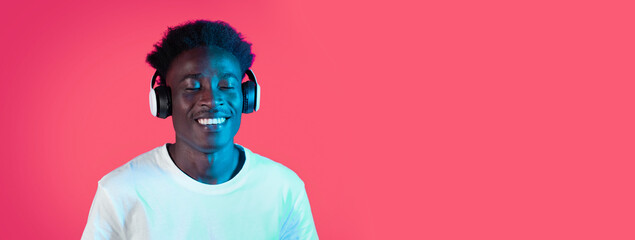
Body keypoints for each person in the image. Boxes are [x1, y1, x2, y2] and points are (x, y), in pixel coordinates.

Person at [81, 20, 318, 240]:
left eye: (226, 85)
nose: (212, 100)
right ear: (165, 101)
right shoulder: (120, 191)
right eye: (192, 87)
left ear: (247, 97)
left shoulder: (283, 188)